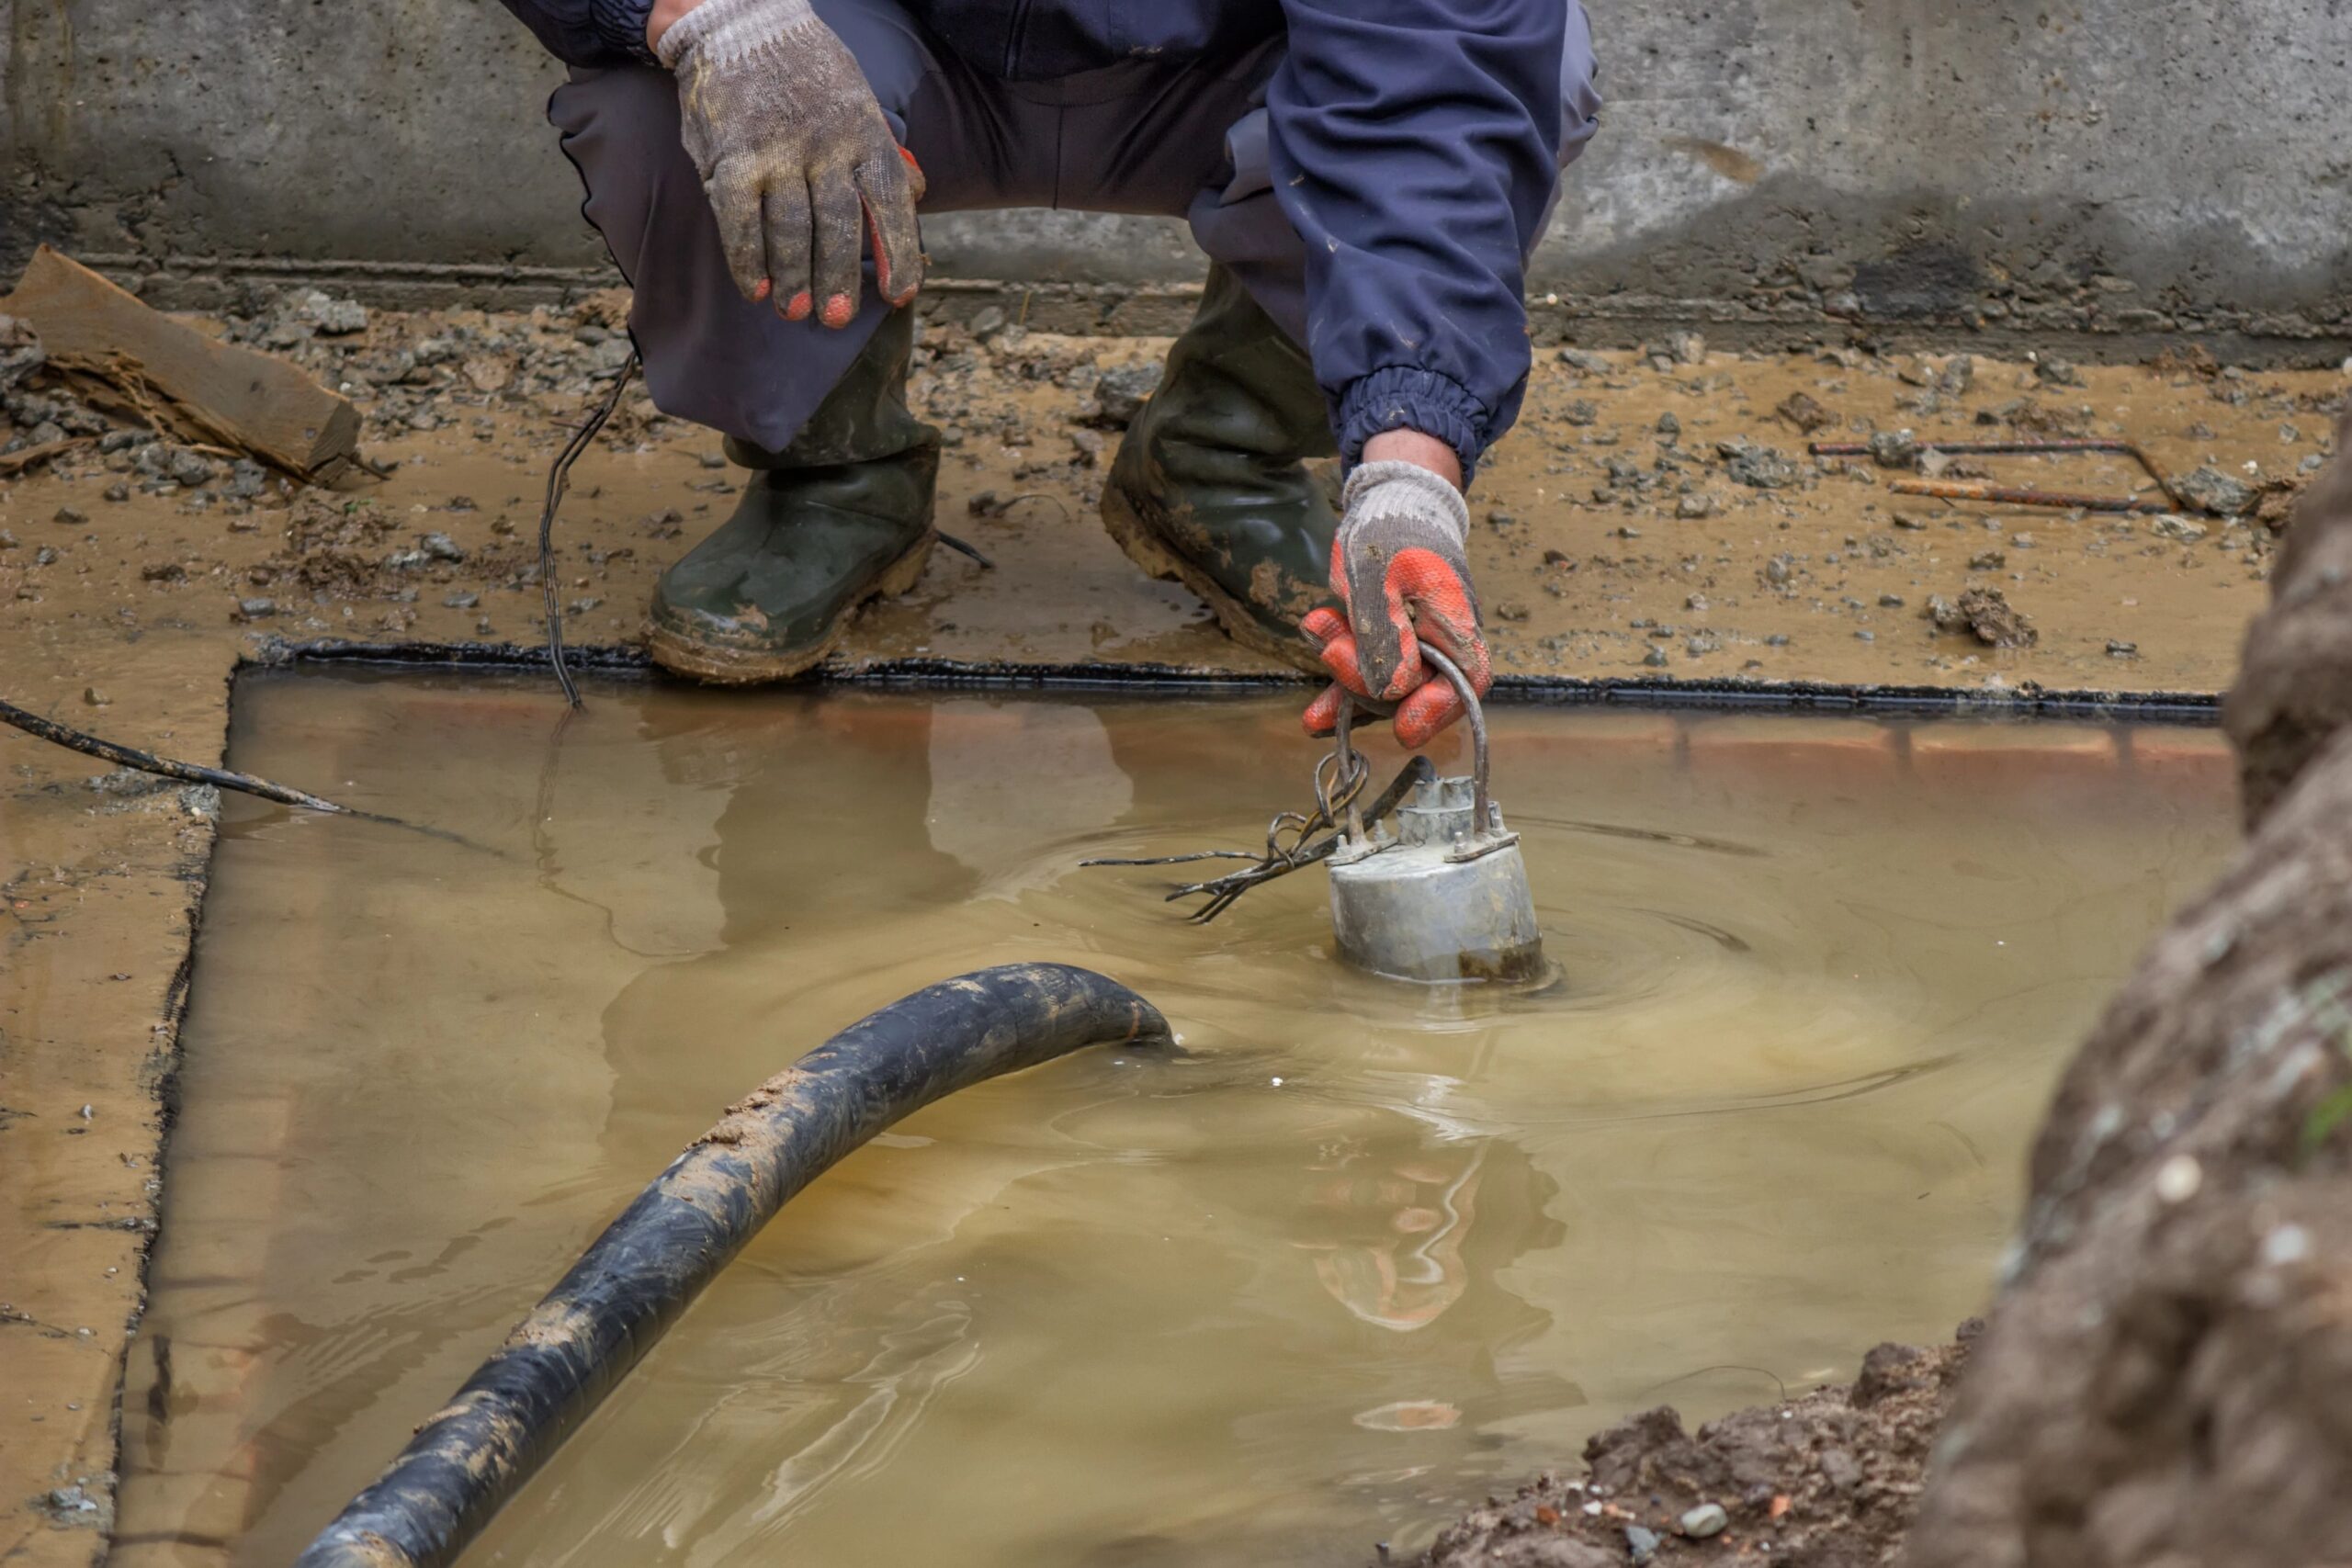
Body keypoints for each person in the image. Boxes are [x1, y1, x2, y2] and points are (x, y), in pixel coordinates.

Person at [497, 0, 1599, 746]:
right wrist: (708, 14)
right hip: (860, 36)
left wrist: (1409, 468)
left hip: (1224, 64)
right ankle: (835, 475)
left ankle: (1223, 455)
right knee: (663, 93)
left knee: (1536, 77)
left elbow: (1434, 82)